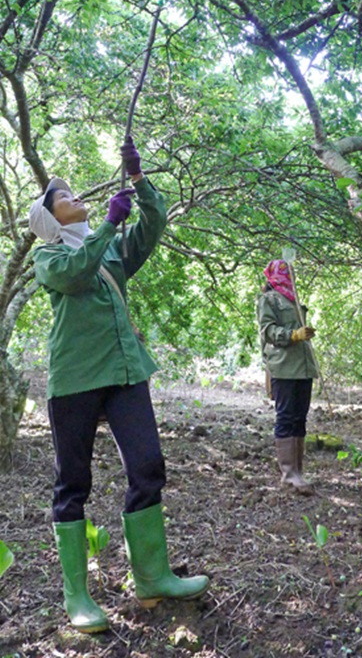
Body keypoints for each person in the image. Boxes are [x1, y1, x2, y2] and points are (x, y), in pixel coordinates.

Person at [28, 137, 209, 634]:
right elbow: (72, 275)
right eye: (61, 197)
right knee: (73, 484)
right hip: (75, 379)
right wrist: (108, 221)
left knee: (148, 466)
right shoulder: (48, 257)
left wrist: (139, 179)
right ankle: (77, 596)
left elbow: (152, 229)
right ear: (50, 219)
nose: (72, 195)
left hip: (126, 372)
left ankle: (152, 577)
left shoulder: (109, 250)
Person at [257, 259, 318, 496]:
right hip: (283, 368)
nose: (289, 275)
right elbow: (268, 331)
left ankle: (298, 472)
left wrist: (305, 333)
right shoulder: (268, 300)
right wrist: (293, 334)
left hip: (303, 367)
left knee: (300, 418)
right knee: (286, 417)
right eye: (285, 272)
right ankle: (288, 474)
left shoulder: (294, 298)